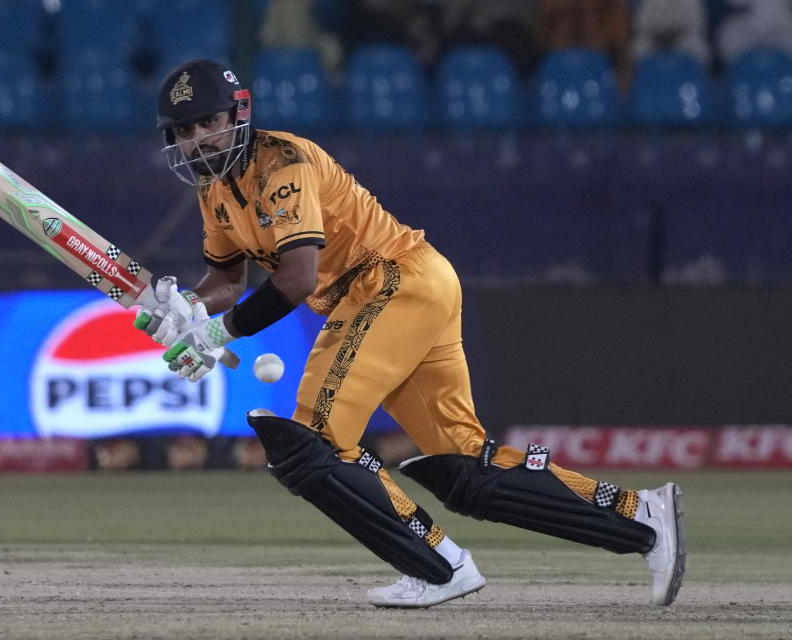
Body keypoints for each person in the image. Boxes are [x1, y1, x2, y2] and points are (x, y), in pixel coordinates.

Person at [134, 59, 686, 608]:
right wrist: (188, 304)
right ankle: (643, 519)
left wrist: (218, 333)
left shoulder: (282, 162)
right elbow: (228, 278)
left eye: (209, 123)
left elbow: (297, 278)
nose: (198, 141)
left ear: (239, 114)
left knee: (312, 442)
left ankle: (438, 565)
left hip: (388, 282)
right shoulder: (215, 191)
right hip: (412, 286)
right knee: (464, 468)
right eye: (184, 132)